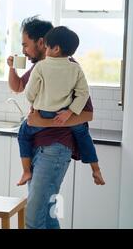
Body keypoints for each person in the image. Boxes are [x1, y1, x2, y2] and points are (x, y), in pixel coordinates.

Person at [6, 16, 101, 229]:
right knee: (47, 216)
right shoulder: (42, 66)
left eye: (25, 45)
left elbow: (87, 115)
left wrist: (44, 122)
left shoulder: (69, 68)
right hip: (40, 149)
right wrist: (12, 68)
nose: (24, 51)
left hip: (54, 149)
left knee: (32, 217)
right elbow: (19, 87)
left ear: (43, 44)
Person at [16, 26, 105, 187]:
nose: (45, 49)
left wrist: (34, 104)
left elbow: (29, 92)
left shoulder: (41, 67)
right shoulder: (75, 68)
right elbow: (83, 93)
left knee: (23, 134)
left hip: (43, 115)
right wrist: (70, 111)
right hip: (68, 117)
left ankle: (26, 171)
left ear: (55, 49)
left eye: (47, 46)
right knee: (84, 136)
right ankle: (96, 169)